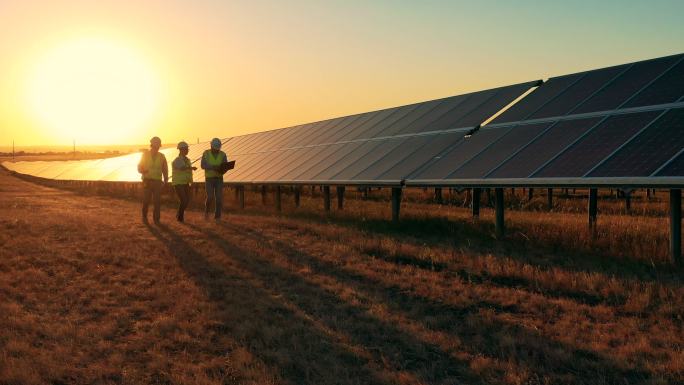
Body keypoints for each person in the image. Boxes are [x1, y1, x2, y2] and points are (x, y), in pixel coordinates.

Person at [137, 136, 168, 224]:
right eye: (156, 146)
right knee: (146, 200)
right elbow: (139, 166)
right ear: (152, 146)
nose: (157, 148)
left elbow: (165, 169)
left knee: (157, 201)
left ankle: (156, 219)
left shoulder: (162, 156)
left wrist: (165, 179)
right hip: (147, 180)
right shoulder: (145, 155)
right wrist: (142, 171)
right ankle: (144, 215)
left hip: (157, 181)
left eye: (158, 146)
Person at [201, 137, 228, 221]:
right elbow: (203, 165)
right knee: (210, 197)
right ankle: (207, 212)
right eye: (215, 148)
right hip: (209, 179)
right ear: (211, 146)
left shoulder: (223, 154)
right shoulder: (206, 153)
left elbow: (225, 166)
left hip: (219, 179)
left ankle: (217, 217)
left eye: (218, 148)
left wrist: (222, 170)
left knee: (219, 198)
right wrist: (213, 167)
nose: (217, 150)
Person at [171, 141, 197, 222]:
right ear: (181, 150)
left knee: (187, 200)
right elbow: (182, 168)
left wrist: (191, 182)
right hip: (178, 183)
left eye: (187, 149)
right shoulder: (177, 160)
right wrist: (191, 168)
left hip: (185, 183)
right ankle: (180, 218)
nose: (187, 150)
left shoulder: (187, 160)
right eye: (186, 149)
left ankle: (179, 213)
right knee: (184, 200)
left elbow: (188, 173)